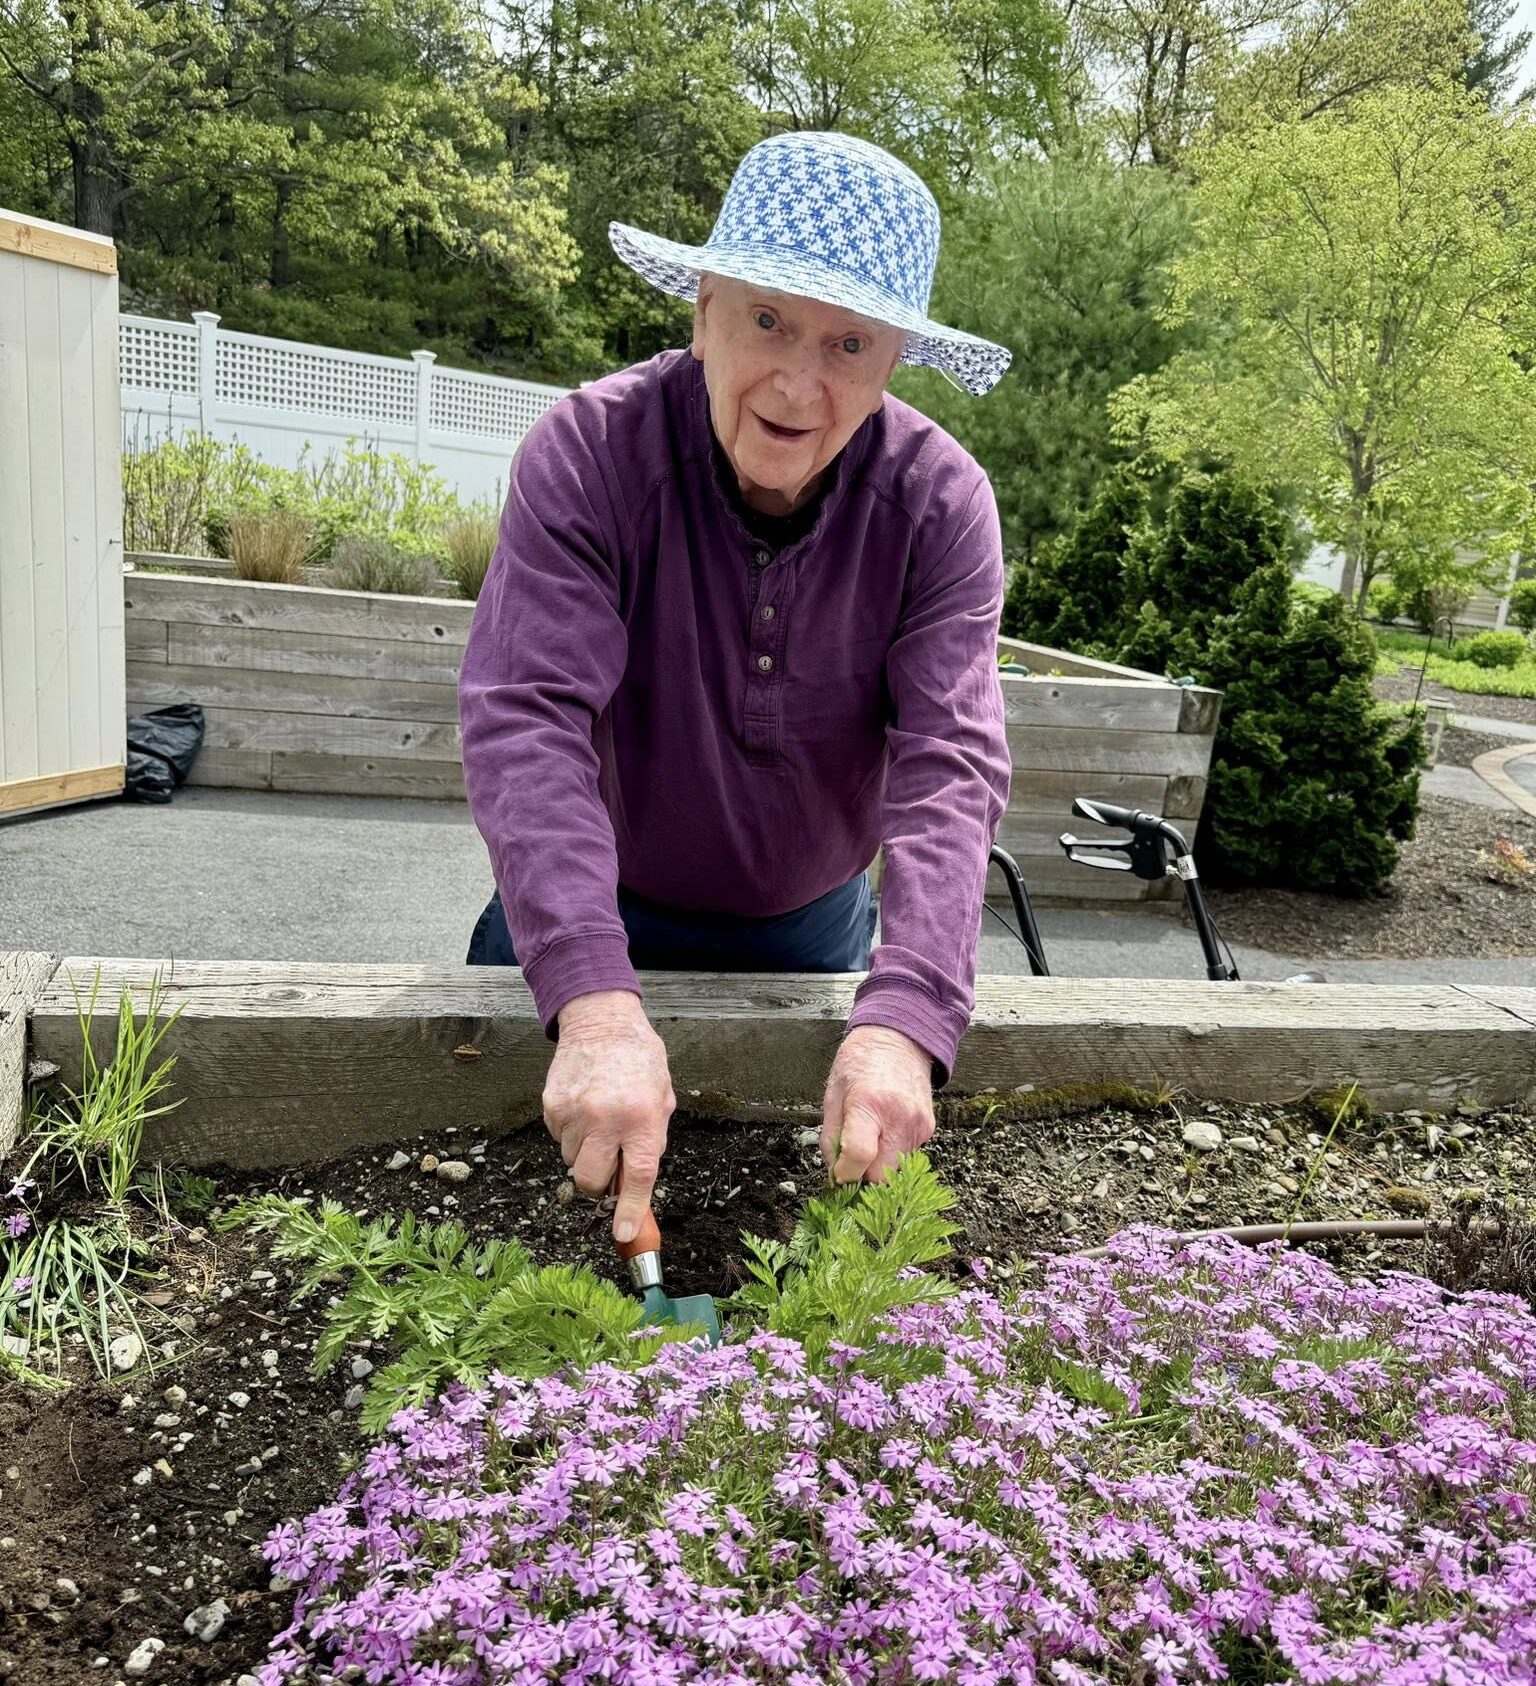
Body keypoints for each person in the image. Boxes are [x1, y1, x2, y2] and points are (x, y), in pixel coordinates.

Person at [459, 128, 1012, 1245]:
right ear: (703, 311)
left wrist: (906, 1014)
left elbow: (948, 765)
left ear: (893, 361)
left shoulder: (941, 505)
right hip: (589, 908)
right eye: (768, 321)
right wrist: (594, 1004)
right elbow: (529, 718)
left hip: (813, 933)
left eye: (849, 343)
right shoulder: (590, 454)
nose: (800, 384)